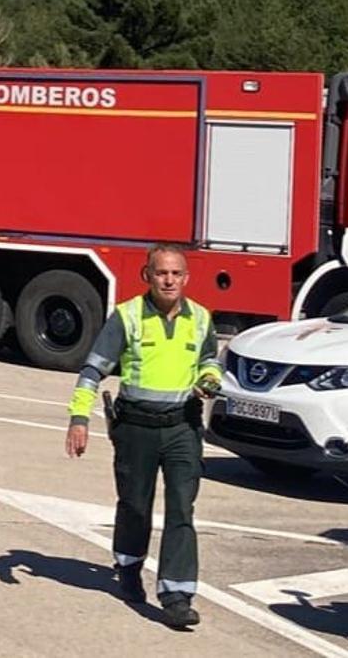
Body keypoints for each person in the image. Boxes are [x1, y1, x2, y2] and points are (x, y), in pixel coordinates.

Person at [64, 244, 222, 630]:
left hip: (183, 426)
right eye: (161, 273)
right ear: (146, 276)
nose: (169, 280)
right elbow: (92, 370)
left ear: (186, 277)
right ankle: (129, 566)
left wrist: (210, 380)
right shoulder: (127, 316)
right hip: (136, 428)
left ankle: (177, 595)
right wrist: (78, 418)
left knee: (182, 508)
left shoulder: (201, 319)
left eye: (176, 274)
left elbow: (210, 361)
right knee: (135, 505)